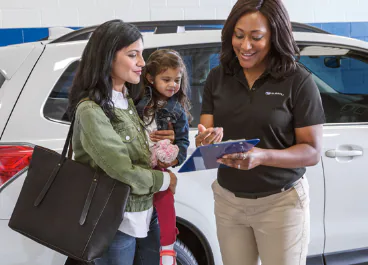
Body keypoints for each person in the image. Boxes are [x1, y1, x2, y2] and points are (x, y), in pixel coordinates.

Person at [195, 0, 325, 264]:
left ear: (275, 37)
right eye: (239, 35)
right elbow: (205, 134)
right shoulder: (217, 78)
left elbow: (311, 152)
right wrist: (205, 140)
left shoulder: (298, 81)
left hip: (281, 204)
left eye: (256, 37)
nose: (245, 46)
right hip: (228, 201)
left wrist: (262, 156)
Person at [66, 20, 177, 265]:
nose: (141, 62)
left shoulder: (125, 99)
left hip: (142, 214)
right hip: (115, 221)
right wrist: (163, 180)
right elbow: (122, 170)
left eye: (141, 54)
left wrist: (157, 148)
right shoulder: (91, 110)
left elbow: (132, 156)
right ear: (107, 58)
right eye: (132, 54)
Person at [136, 49, 191, 265]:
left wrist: (172, 159)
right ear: (150, 78)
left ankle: (168, 249)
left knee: (166, 205)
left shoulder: (177, 110)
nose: (173, 85)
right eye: (166, 79)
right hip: (138, 165)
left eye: (177, 80)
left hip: (158, 166)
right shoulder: (136, 102)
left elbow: (184, 145)